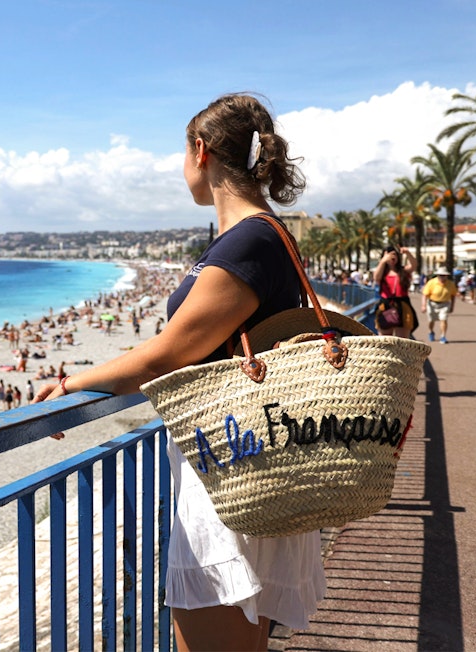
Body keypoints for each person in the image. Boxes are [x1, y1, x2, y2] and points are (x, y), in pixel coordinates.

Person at [33, 94, 324, 650]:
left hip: (232, 469)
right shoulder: (256, 237)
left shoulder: (251, 241)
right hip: (247, 461)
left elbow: (169, 354)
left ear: (201, 150)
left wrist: (71, 384)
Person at [373, 245, 418, 337]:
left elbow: (414, 265)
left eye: (394, 254)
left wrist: (408, 253)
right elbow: (376, 277)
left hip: (403, 304)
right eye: (389, 255)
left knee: (402, 340)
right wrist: (383, 261)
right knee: (384, 339)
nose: (392, 257)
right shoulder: (382, 272)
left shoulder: (403, 271)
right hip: (386, 305)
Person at [422, 267, 458, 344]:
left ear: (446, 276)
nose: (442, 277)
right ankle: (431, 331)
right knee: (431, 320)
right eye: (440, 275)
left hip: (445, 304)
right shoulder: (431, 282)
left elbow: (453, 295)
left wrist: (452, 306)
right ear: (437, 275)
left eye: (444, 275)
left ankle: (443, 336)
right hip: (432, 303)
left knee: (443, 319)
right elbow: (425, 295)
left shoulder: (450, 284)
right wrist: (423, 305)